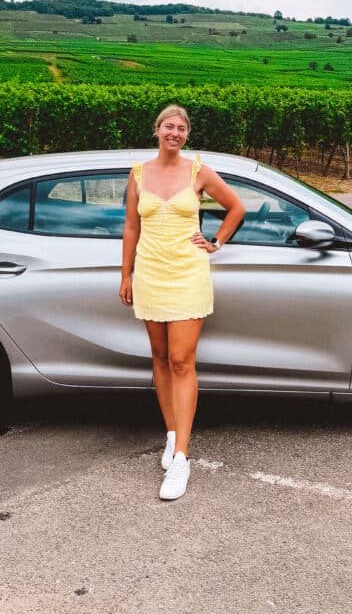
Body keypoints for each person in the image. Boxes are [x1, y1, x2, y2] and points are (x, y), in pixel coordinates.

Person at [119, 104, 245, 500]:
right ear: (156, 130)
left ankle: (181, 458)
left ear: (186, 135)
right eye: (169, 126)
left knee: (181, 360)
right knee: (158, 357)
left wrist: (216, 242)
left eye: (182, 128)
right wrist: (126, 273)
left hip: (188, 273)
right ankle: (172, 433)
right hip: (151, 273)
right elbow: (131, 225)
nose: (176, 132)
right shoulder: (139, 173)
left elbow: (236, 207)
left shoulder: (198, 171)